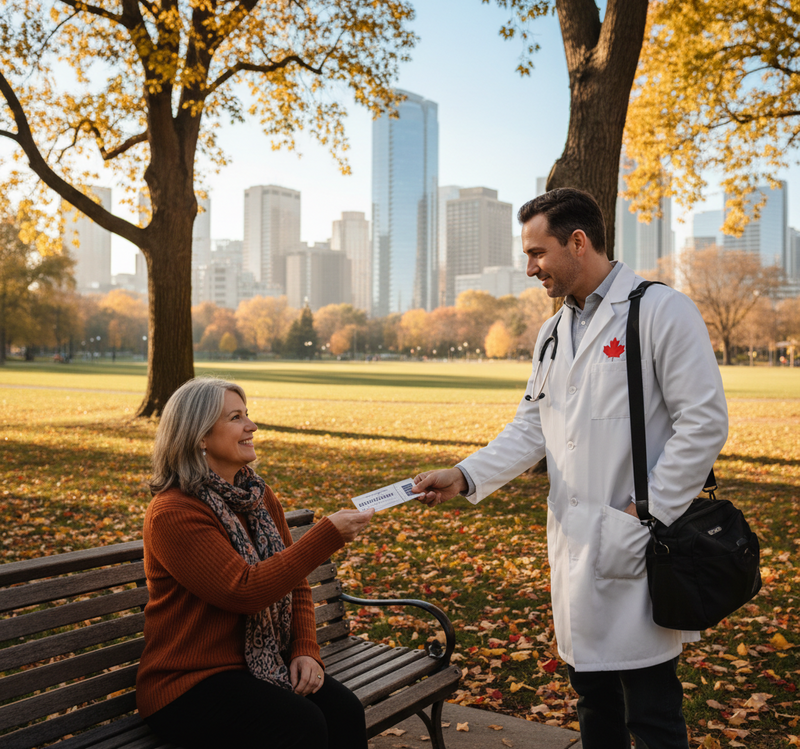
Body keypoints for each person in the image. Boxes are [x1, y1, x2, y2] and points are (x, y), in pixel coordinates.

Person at [412, 188, 728, 749]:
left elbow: (703, 424)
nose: (529, 267)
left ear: (577, 243)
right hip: (576, 547)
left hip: (637, 541)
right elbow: (531, 427)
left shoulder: (660, 311)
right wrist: (463, 474)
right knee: (594, 703)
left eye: (537, 253)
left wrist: (644, 513)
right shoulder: (553, 332)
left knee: (652, 712)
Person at [136, 376, 374, 749]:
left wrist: (306, 650)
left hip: (258, 663)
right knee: (302, 724)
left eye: (247, 414)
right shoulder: (173, 512)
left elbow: (294, 583)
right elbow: (243, 590)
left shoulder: (257, 496)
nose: (252, 426)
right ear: (199, 436)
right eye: (236, 418)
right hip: (187, 684)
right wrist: (325, 536)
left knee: (344, 711)